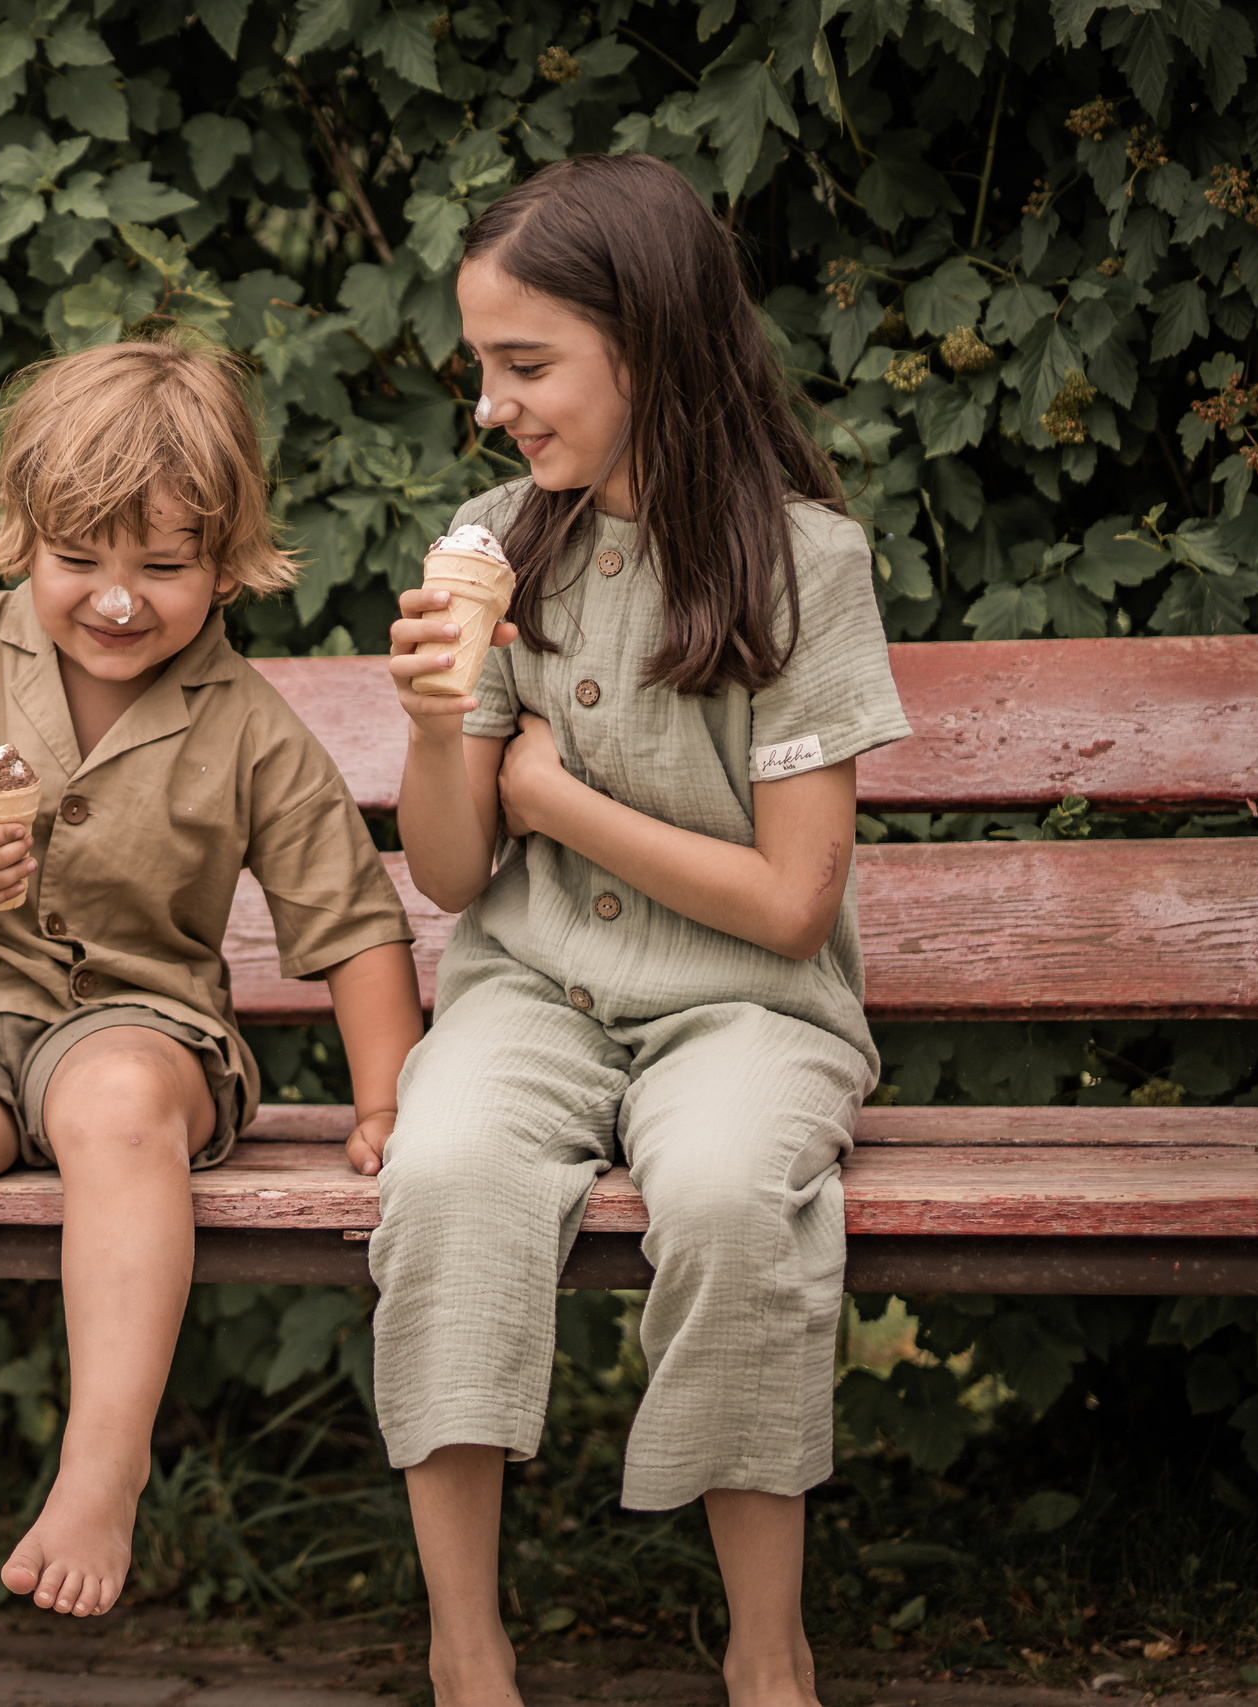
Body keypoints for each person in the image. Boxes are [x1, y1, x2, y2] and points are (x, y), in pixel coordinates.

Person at [0, 333, 426, 1668]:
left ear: (227, 563)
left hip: (142, 1024)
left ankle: (100, 1480)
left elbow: (349, 926)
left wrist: (388, 1099)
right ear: (23, 538)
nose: (118, 600)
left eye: (163, 567)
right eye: (83, 559)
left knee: (118, 1107)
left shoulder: (248, 728)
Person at [371, 152, 909, 1707]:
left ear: (652, 343)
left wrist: (553, 790)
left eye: (525, 366)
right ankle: (467, 1651)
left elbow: (795, 906)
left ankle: (767, 1647)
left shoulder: (802, 564)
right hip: (529, 994)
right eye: (482, 367)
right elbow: (459, 876)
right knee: (449, 1173)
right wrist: (433, 730)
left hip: (751, 1005)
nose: (492, 406)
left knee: (738, 1197)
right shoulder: (494, 539)